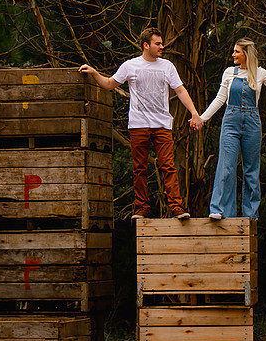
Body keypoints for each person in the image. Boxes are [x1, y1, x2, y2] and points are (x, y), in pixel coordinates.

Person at [80, 27, 201, 220]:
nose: (162, 47)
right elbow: (110, 84)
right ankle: (141, 209)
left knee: (168, 166)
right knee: (140, 168)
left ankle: (177, 208)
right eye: (158, 44)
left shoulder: (167, 66)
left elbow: (180, 91)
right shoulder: (131, 66)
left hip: (162, 124)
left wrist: (194, 113)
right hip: (138, 125)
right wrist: (94, 72)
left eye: (161, 43)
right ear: (146, 45)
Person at [189, 38, 266, 220]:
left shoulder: (261, 73)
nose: (233, 55)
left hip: (252, 124)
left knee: (251, 169)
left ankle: (251, 214)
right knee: (226, 167)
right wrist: (202, 118)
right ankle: (220, 211)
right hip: (230, 123)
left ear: (246, 54)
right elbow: (220, 99)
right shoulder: (228, 72)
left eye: (237, 51)